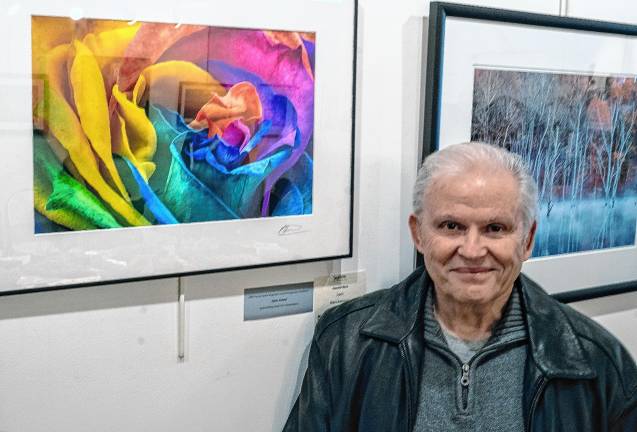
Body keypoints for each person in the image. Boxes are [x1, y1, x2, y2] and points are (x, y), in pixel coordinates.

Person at [283, 142, 637, 431]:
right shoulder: (345, 342)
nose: (471, 250)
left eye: (495, 228)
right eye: (451, 226)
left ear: (527, 240)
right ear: (418, 233)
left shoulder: (597, 363)